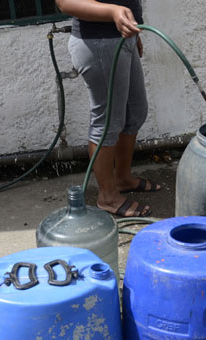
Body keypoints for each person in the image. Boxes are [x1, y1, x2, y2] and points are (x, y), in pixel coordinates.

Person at [55, 0, 160, 217]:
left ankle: (122, 179)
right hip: (99, 43)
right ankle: (107, 196)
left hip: (122, 38)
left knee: (135, 113)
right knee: (108, 123)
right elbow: (65, 3)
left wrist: (132, 31)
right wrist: (113, 12)